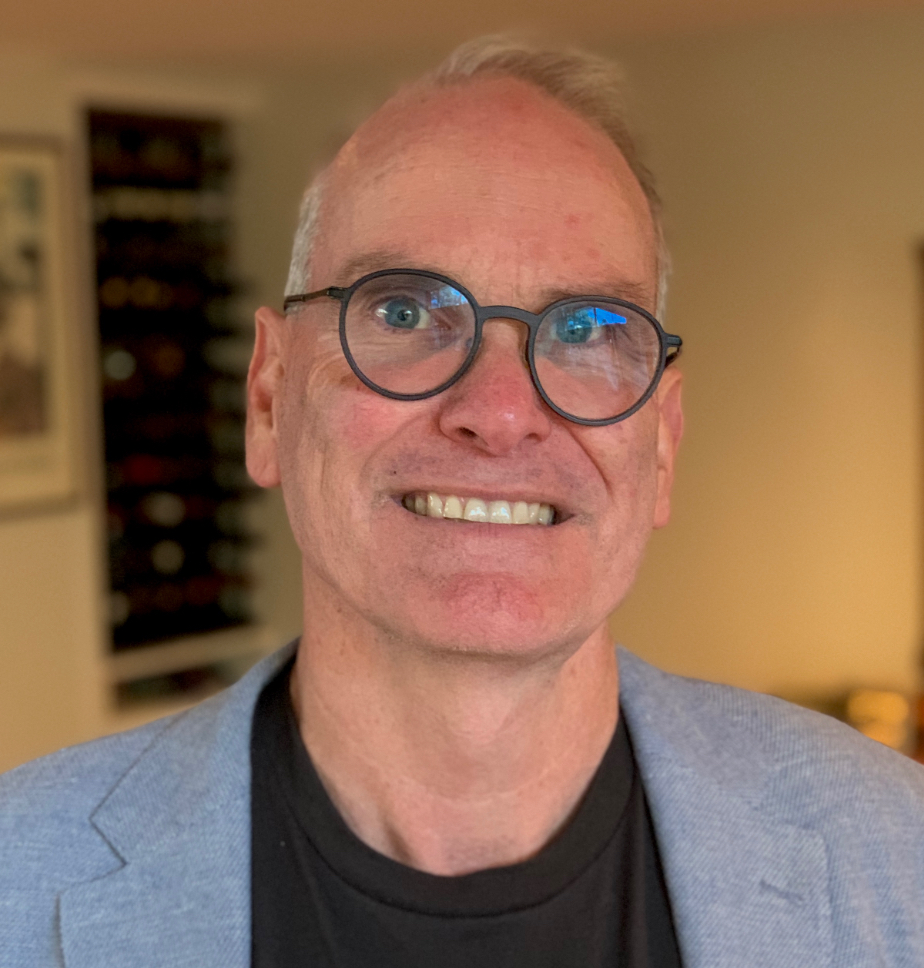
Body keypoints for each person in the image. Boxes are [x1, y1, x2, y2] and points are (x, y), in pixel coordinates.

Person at [2, 36, 924, 968]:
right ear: (269, 399)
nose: (501, 412)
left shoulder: (897, 851)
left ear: (662, 442)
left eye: (587, 329)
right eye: (403, 312)